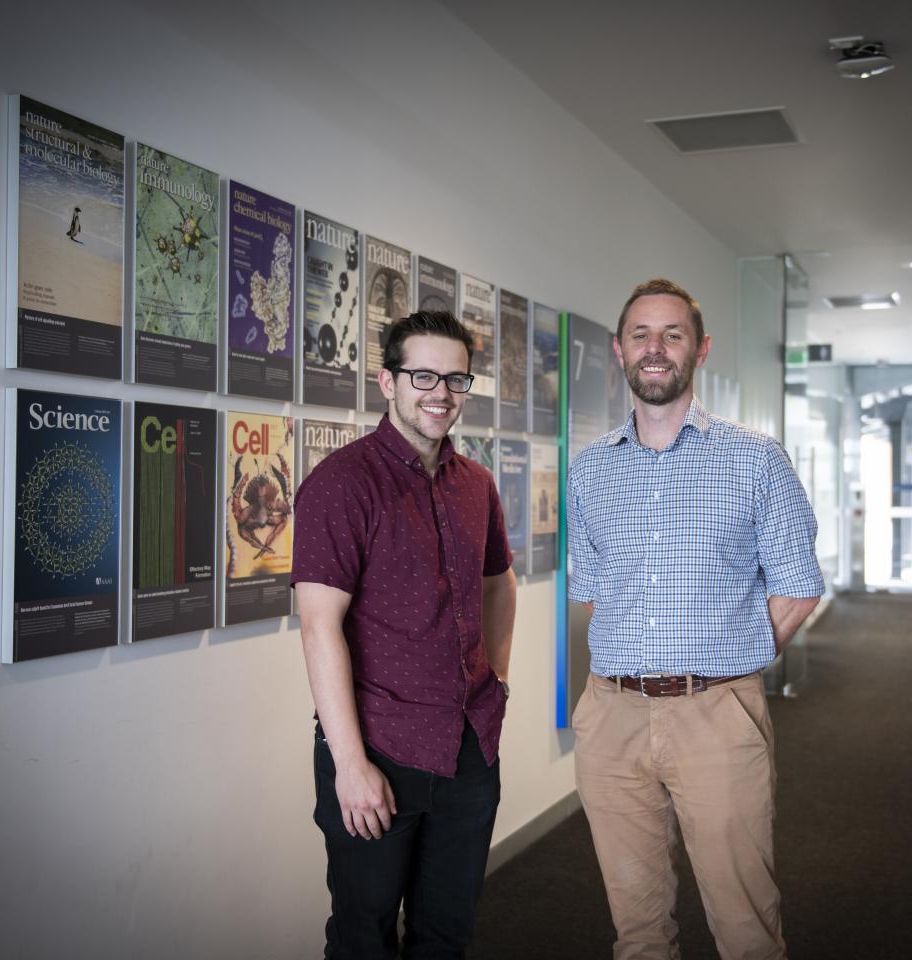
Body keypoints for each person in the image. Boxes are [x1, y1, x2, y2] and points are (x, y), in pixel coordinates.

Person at [567, 278, 824, 960]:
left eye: (672, 334)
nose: (656, 349)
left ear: (700, 350)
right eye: (641, 335)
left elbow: (798, 587)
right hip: (611, 716)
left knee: (744, 924)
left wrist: (728, 656)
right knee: (638, 928)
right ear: (619, 350)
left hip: (715, 712)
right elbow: (593, 591)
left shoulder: (755, 459)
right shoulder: (590, 471)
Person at [293, 310, 518, 959]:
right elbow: (318, 626)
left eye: (455, 378)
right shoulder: (342, 484)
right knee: (364, 936)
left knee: (446, 934)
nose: (440, 393)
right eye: (423, 374)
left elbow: (499, 583)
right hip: (378, 750)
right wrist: (351, 764)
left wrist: (495, 680)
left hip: (468, 751)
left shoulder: (475, 484)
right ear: (387, 381)